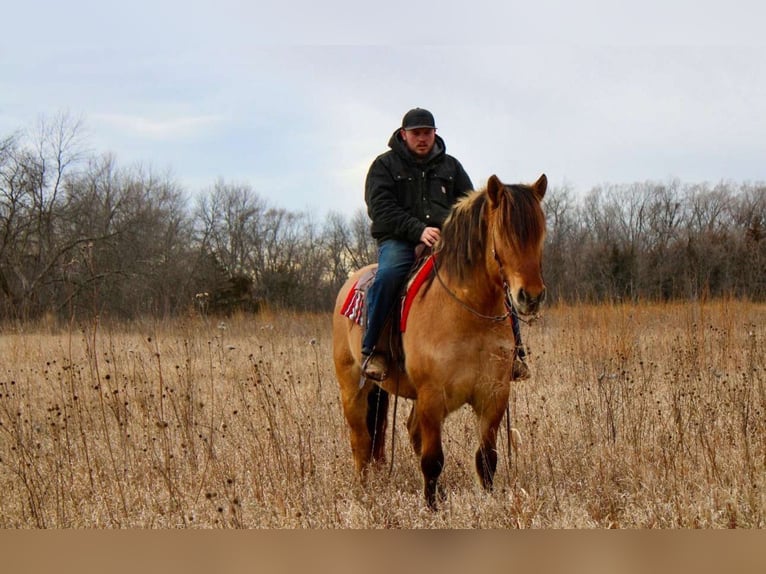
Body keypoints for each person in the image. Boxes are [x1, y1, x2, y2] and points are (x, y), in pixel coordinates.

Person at [361, 108, 530, 381]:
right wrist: (418, 230)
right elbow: (380, 209)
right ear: (403, 135)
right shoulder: (385, 166)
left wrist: (459, 232)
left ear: (434, 133)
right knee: (389, 275)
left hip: (448, 240)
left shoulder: (450, 166)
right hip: (400, 239)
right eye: (416, 133)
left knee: (494, 273)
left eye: (427, 132)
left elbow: (471, 206)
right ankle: (374, 350)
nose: (422, 138)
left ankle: (514, 353)